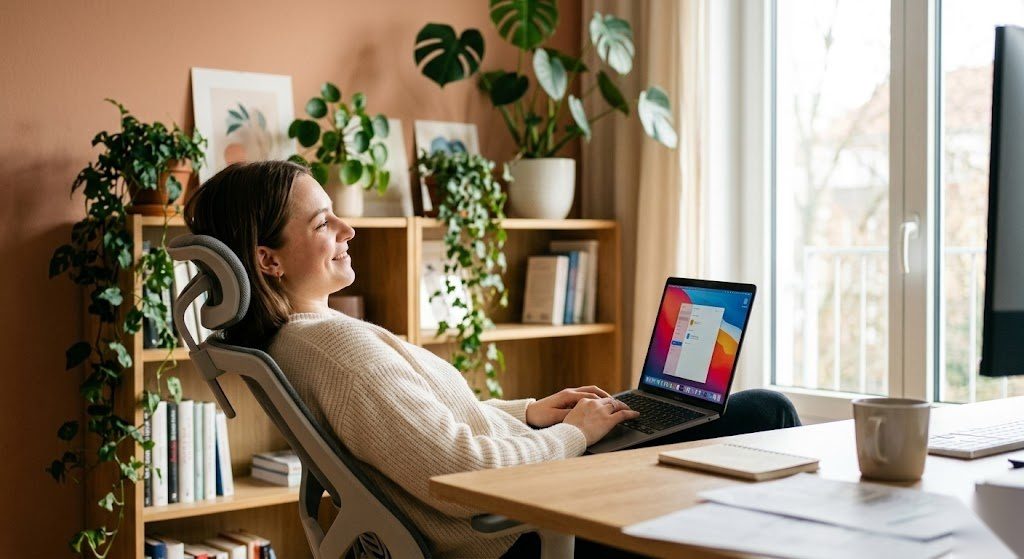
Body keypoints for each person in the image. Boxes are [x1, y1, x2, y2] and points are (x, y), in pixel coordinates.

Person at [183, 161, 800, 559]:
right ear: (268, 260)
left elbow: (427, 428)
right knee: (766, 412)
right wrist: (571, 436)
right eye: (323, 222)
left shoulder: (306, 338)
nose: (349, 227)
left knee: (706, 424)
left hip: (535, 490)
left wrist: (532, 414)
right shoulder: (334, 350)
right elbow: (461, 474)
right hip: (525, 531)